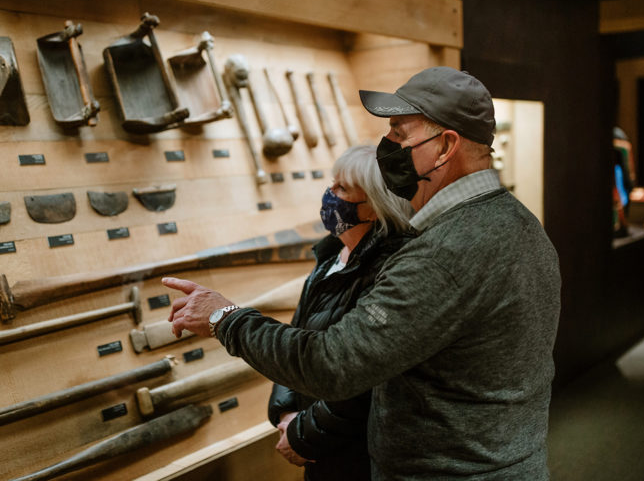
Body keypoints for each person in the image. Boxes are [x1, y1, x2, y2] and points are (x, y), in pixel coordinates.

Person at [163, 66, 561, 480]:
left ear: (445, 146)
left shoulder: (446, 253)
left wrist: (224, 318)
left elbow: (333, 364)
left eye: (399, 134)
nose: (386, 145)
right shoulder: (519, 222)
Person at [269, 145, 414, 480]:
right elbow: (296, 339)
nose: (329, 194)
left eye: (343, 188)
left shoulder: (388, 271)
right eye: (332, 183)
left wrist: (303, 434)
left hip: (358, 455)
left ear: (374, 206)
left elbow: (364, 384)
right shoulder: (330, 257)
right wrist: (286, 413)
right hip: (317, 445)